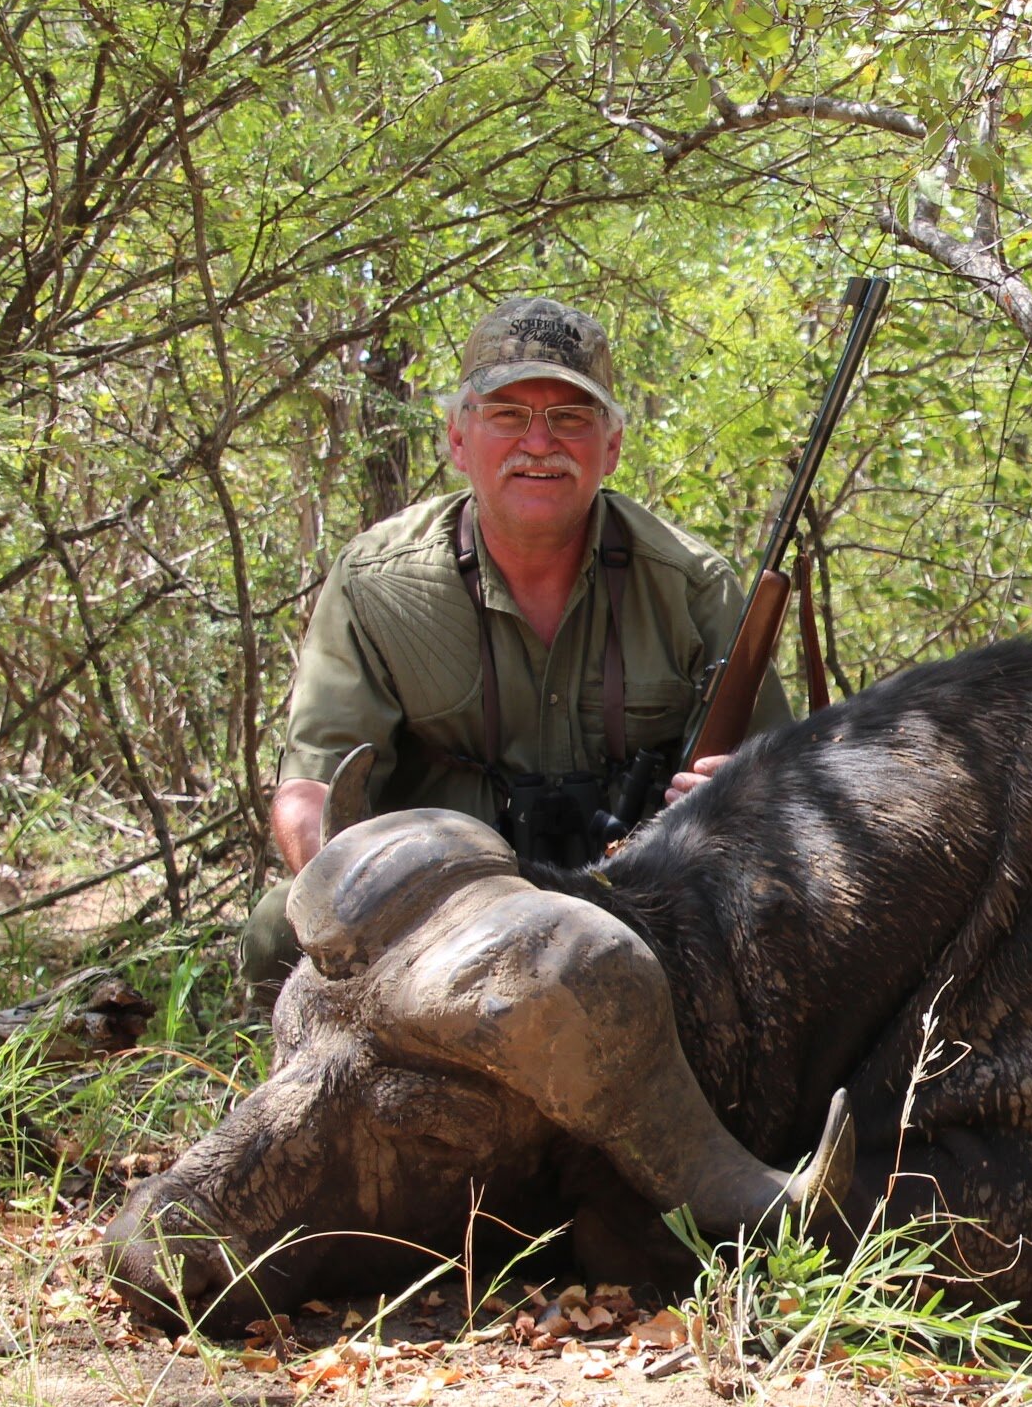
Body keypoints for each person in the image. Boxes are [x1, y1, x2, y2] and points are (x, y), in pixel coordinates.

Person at [241, 296, 790, 1002]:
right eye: (508, 416)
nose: (540, 443)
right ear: (458, 438)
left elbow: (783, 789)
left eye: (570, 419)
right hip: (435, 918)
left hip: (641, 911)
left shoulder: (692, 586)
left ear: (612, 445)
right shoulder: (377, 585)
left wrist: (731, 800)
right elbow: (310, 791)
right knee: (275, 937)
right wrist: (363, 898)